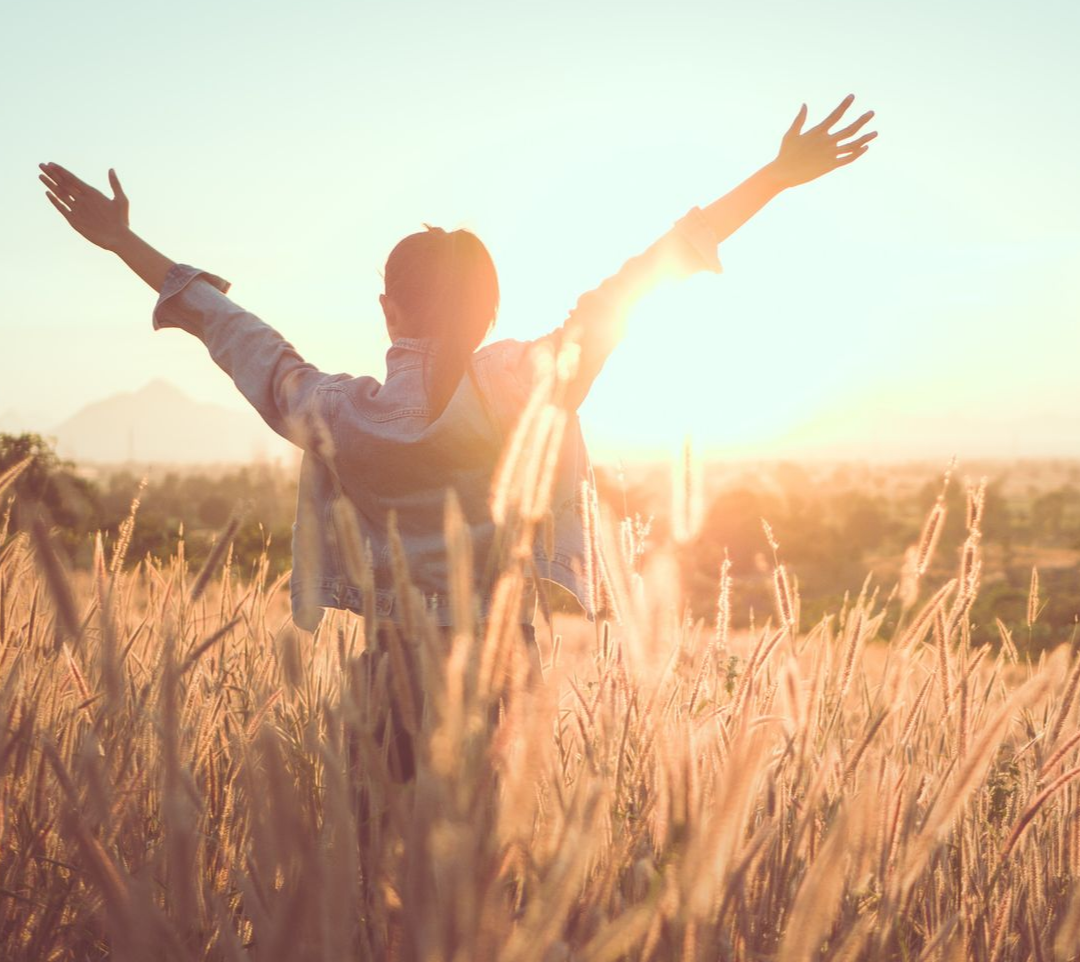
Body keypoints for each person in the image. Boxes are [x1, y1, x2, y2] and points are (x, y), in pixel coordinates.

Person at [38, 96, 875, 655]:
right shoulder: (527, 384)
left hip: (387, 692)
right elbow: (644, 275)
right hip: (499, 691)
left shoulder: (336, 414)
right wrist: (771, 177)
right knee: (482, 911)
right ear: (488, 305)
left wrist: (124, 244)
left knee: (372, 900)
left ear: (389, 308)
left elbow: (237, 334)